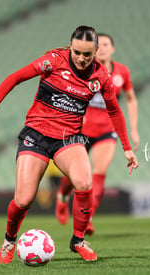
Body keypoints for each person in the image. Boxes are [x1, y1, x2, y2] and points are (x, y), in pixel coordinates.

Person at [0, 25, 139, 263]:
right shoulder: (53, 60)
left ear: (95, 53)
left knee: (84, 182)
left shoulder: (100, 76)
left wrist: (126, 148)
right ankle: (10, 239)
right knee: (23, 200)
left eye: (87, 54)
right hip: (37, 134)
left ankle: (78, 240)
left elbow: (114, 110)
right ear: (70, 47)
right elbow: (16, 77)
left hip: (69, 137)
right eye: (77, 52)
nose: (81, 59)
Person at [55, 33, 139, 235]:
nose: (101, 48)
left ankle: (87, 217)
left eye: (105, 44)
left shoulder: (122, 73)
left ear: (113, 49)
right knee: (74, 174)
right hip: (80, 129)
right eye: (98, 45)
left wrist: (133, 130)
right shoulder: (81, 69)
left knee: (99, 173)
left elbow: (130, 99)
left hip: (106, 131)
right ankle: (62, 197)